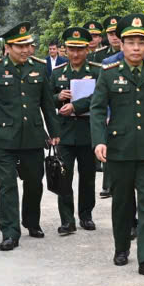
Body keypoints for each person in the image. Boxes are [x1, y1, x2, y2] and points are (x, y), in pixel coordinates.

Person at [91, 14, 144, 280]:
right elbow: (97, 109)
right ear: (122, 45)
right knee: (123, 203)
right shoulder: (108, 72)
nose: (136, 48)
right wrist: (99, 140)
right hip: (120, 149)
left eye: (141, 42)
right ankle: (121, 246)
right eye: (131, 42)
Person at [0, 21, 59, 250]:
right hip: (4, 138)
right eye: (19, 46)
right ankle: (10, 232)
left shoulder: (40, 68)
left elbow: (47, 104)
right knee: (8, 185)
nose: (25, 50)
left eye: (28, 45)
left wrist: (54, 132)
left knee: (34, 183)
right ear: (8, 47)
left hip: (33, 137)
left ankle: (32, 221)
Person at [51, 26, 100, 235]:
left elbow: (100, 98)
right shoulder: (57, 73)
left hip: (89, 132)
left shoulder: (97, 71)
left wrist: (76, 106)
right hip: (65, 133)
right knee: (64, 177)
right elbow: (45, 99)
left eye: (80, 49)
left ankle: (86, 215)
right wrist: (58, 97)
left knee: (88, 177)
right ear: (65, 50)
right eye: (71, 49)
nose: (76, 54)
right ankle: (67, 219)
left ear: (87, 50)